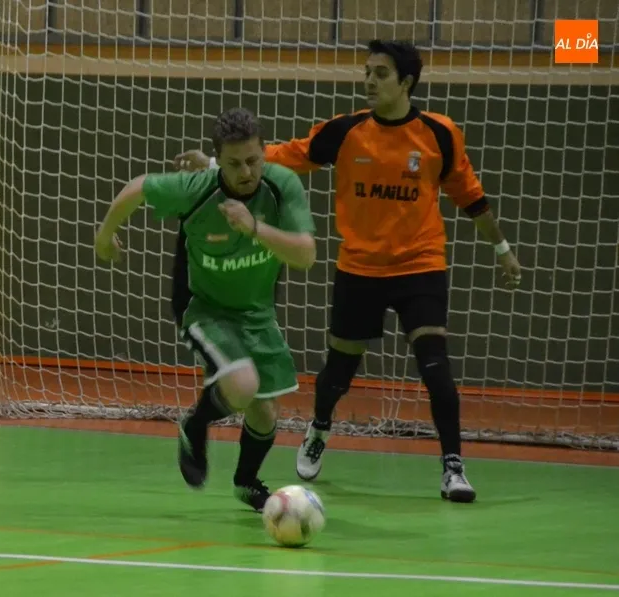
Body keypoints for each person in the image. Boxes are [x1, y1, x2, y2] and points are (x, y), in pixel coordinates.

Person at [174, 40, 522, 503]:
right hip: (360, 269)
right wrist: (217, 164)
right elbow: (288, 154)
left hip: (420, 266)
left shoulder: (439, 134)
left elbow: (471, 196)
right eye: (367, 72)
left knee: (435, 366)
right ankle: (319, 428)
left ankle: (453, 467)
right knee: (338, 372)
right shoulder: (346, 131)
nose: (370, 81)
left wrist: (502, 248)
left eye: (381, 73)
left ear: (407, 82)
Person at [95, 107, 318, 511]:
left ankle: (246, 482)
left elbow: (305, 255)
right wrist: (105, 236)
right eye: (234, 164)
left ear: (264, 152)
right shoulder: (197, 189)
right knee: (242, 385)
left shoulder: (281, 185)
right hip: (203, 306)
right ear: (219, 161)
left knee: (265, 412)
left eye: (253, 160)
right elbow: (138, 188)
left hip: (257, 311)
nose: (246, 171)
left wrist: (254, 227)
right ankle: (195, 425)